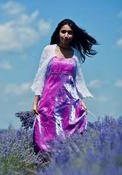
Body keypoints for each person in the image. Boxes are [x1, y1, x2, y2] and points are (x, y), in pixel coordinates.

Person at [30, 19, 97, 153]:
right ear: (58, 33)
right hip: (49, 101)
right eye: (63, 32)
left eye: (69, 33)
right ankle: (44, 165)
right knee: (43, 136)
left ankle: (65, 165)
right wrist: (35, 101)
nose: (66, 35)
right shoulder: (48, 50)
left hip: (69, 102)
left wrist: (82, 102)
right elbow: (40, 76)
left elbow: (77, 80)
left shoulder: (75, 53)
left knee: (68, 137)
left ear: (73, 35)